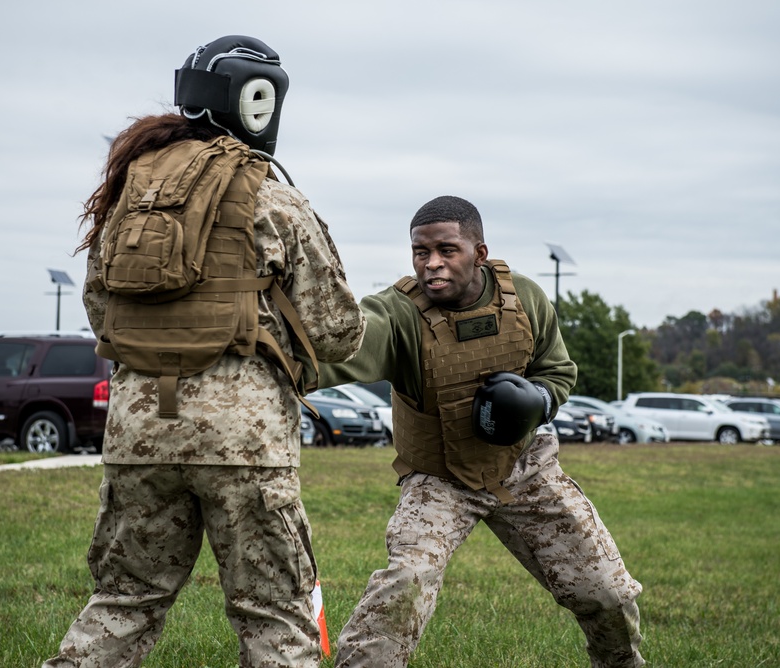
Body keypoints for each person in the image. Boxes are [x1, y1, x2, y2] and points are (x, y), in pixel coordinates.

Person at [44, 35, 366, 668]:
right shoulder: (270, 194)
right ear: (260, 103)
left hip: (138, 430)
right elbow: (337, 332)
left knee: (123, 601)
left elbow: (99, 311)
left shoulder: (131, 190)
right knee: (275, 614)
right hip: (242, 441)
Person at [320, 195, 644, 667]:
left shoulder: (525, 298)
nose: (432, 264)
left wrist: (538, 401)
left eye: (447, 250)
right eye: (420, 252)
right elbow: (344, 345)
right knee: (407, 581)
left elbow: (558, 370)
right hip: (440, 477)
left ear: (479, 252)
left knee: (608, 593)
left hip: (525, 468)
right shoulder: (398, 312)